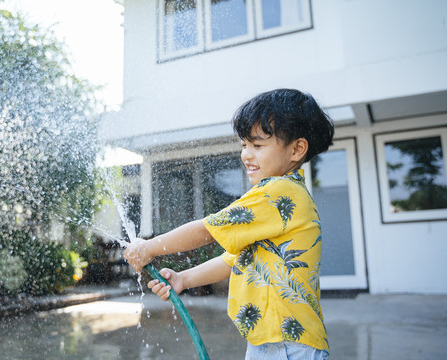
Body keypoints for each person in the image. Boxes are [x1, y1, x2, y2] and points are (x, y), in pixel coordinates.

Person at [124, 88, 334, 360]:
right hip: (274, 340)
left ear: (297, 149)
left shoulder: (279, 192)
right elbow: (233, 259)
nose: (246, 154)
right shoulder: (275, 204)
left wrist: (150, 247)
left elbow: (206, 230)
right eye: (244, 145)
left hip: (286, 345)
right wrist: (183, 279)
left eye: (257, 146)